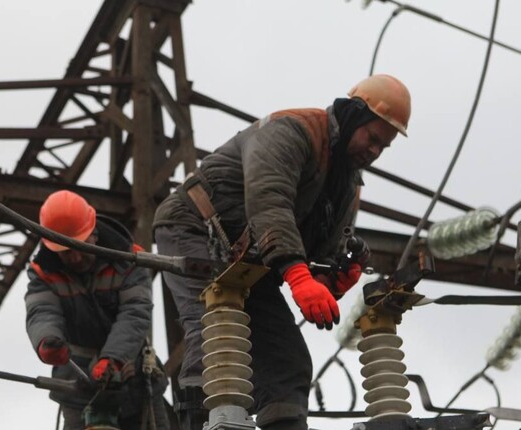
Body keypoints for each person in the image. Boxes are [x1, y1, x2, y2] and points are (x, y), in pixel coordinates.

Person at [153, 74, 411, 430]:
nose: (374, 151)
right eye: (373, 137)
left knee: (288, 363)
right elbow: (269, 203)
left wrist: (329, 278)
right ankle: (199, 424)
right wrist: (299, 276)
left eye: (383, 146)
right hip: (194, 225)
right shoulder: (292, 131)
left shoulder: (346, 185)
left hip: (249, 260)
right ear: (355, 116)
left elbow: (318, 250)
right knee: (214, 333)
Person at [25, 190, 170, 430]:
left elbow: (135, 313)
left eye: (79, 246)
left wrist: (113, 357)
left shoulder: (131, 260)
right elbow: (41, 311)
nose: (75, 257)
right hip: (77, 385)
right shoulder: (43, 273)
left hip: (134, 380)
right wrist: (47, 340)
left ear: (93, 232)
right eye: (65, 252)